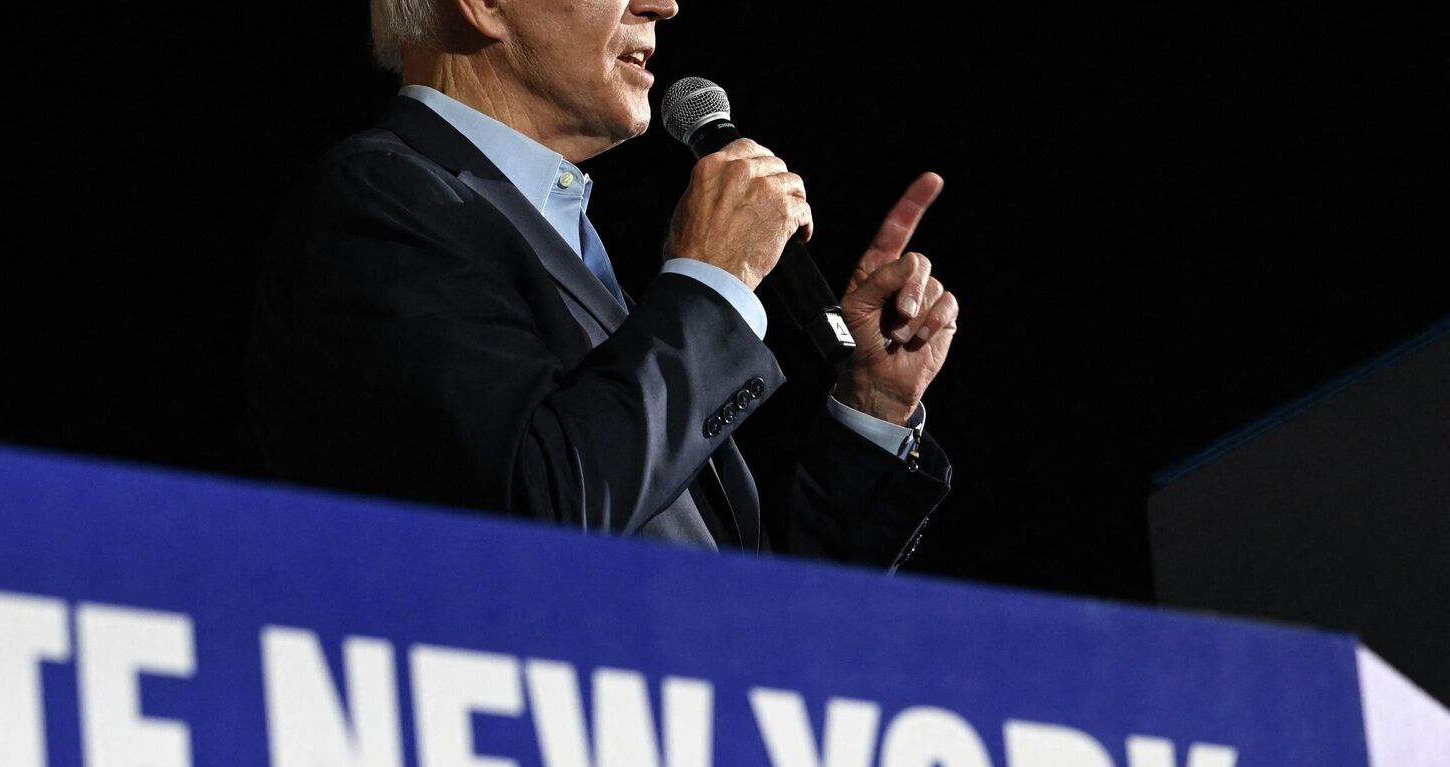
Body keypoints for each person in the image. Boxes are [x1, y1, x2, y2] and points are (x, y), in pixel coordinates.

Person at [246, 0, 961, 568]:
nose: (663, 4)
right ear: (484, 4)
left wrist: (870, 407)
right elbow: (535, 515)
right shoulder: (381, 205)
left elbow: (745, 615)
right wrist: (712, 283)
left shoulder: (560, 240)